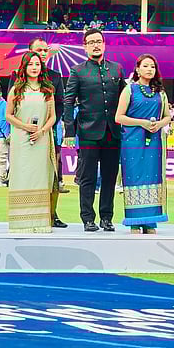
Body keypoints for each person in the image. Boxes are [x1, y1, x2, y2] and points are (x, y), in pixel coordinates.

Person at [63, 29, 127, 233]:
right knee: (87, 178)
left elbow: (126, 97)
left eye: (99, 41)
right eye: (91, 42)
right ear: (85, 46)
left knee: (110, 177)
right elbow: (68, 101)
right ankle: (87, 218)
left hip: (113, 132)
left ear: (104, 44)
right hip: (88, 131)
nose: (96, 45)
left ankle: (107, 218)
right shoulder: (77, 70)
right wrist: (70, 132)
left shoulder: (116, 69)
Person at [115, 54, 172, 234]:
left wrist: (158, 124)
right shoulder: (130, 90)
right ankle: (134, 220)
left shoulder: (160, 92)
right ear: (137, 69)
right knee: (134, 177)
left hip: (154, 141)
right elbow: (119, 117)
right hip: (132, 141)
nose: (149, 69)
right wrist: (142, 122)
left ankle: (150, 222)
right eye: (146, 66)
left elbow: (168, 116)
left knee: (152, 177)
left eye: (152, 67)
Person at [6, 51, 57, 233]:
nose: (34, 67)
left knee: (39, 177)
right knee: (22, 175)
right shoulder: (17, 89)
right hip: (21, 139)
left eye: (37, 64)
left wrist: (42, 131)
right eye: (30, 64)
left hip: (41, 139)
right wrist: (25, 127)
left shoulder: (47, 90)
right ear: (24, 67)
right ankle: (21, 222)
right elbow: (8, 115)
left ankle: (40, 222)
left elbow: (52, 117)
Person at [28, 37, 69, 228]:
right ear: (30, 51)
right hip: (26, 132)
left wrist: (48, 125)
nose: (43, 53)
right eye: (39, 50)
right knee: (29, 172)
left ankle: (52, 214)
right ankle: (28, 212)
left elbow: (60, 104)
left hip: (50, 131)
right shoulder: (17, 76)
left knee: (53, 172)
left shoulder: (55, 76)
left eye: (45, 50)